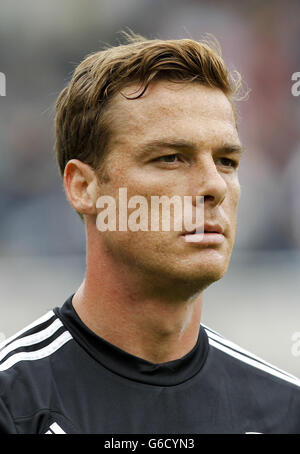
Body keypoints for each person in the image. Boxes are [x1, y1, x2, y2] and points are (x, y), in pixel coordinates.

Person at [0, 32, 299, 435]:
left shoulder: (285, 410)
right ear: (84, 188)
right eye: (171, 158)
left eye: (227, 161)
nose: (215, 186)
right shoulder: (13, 404)